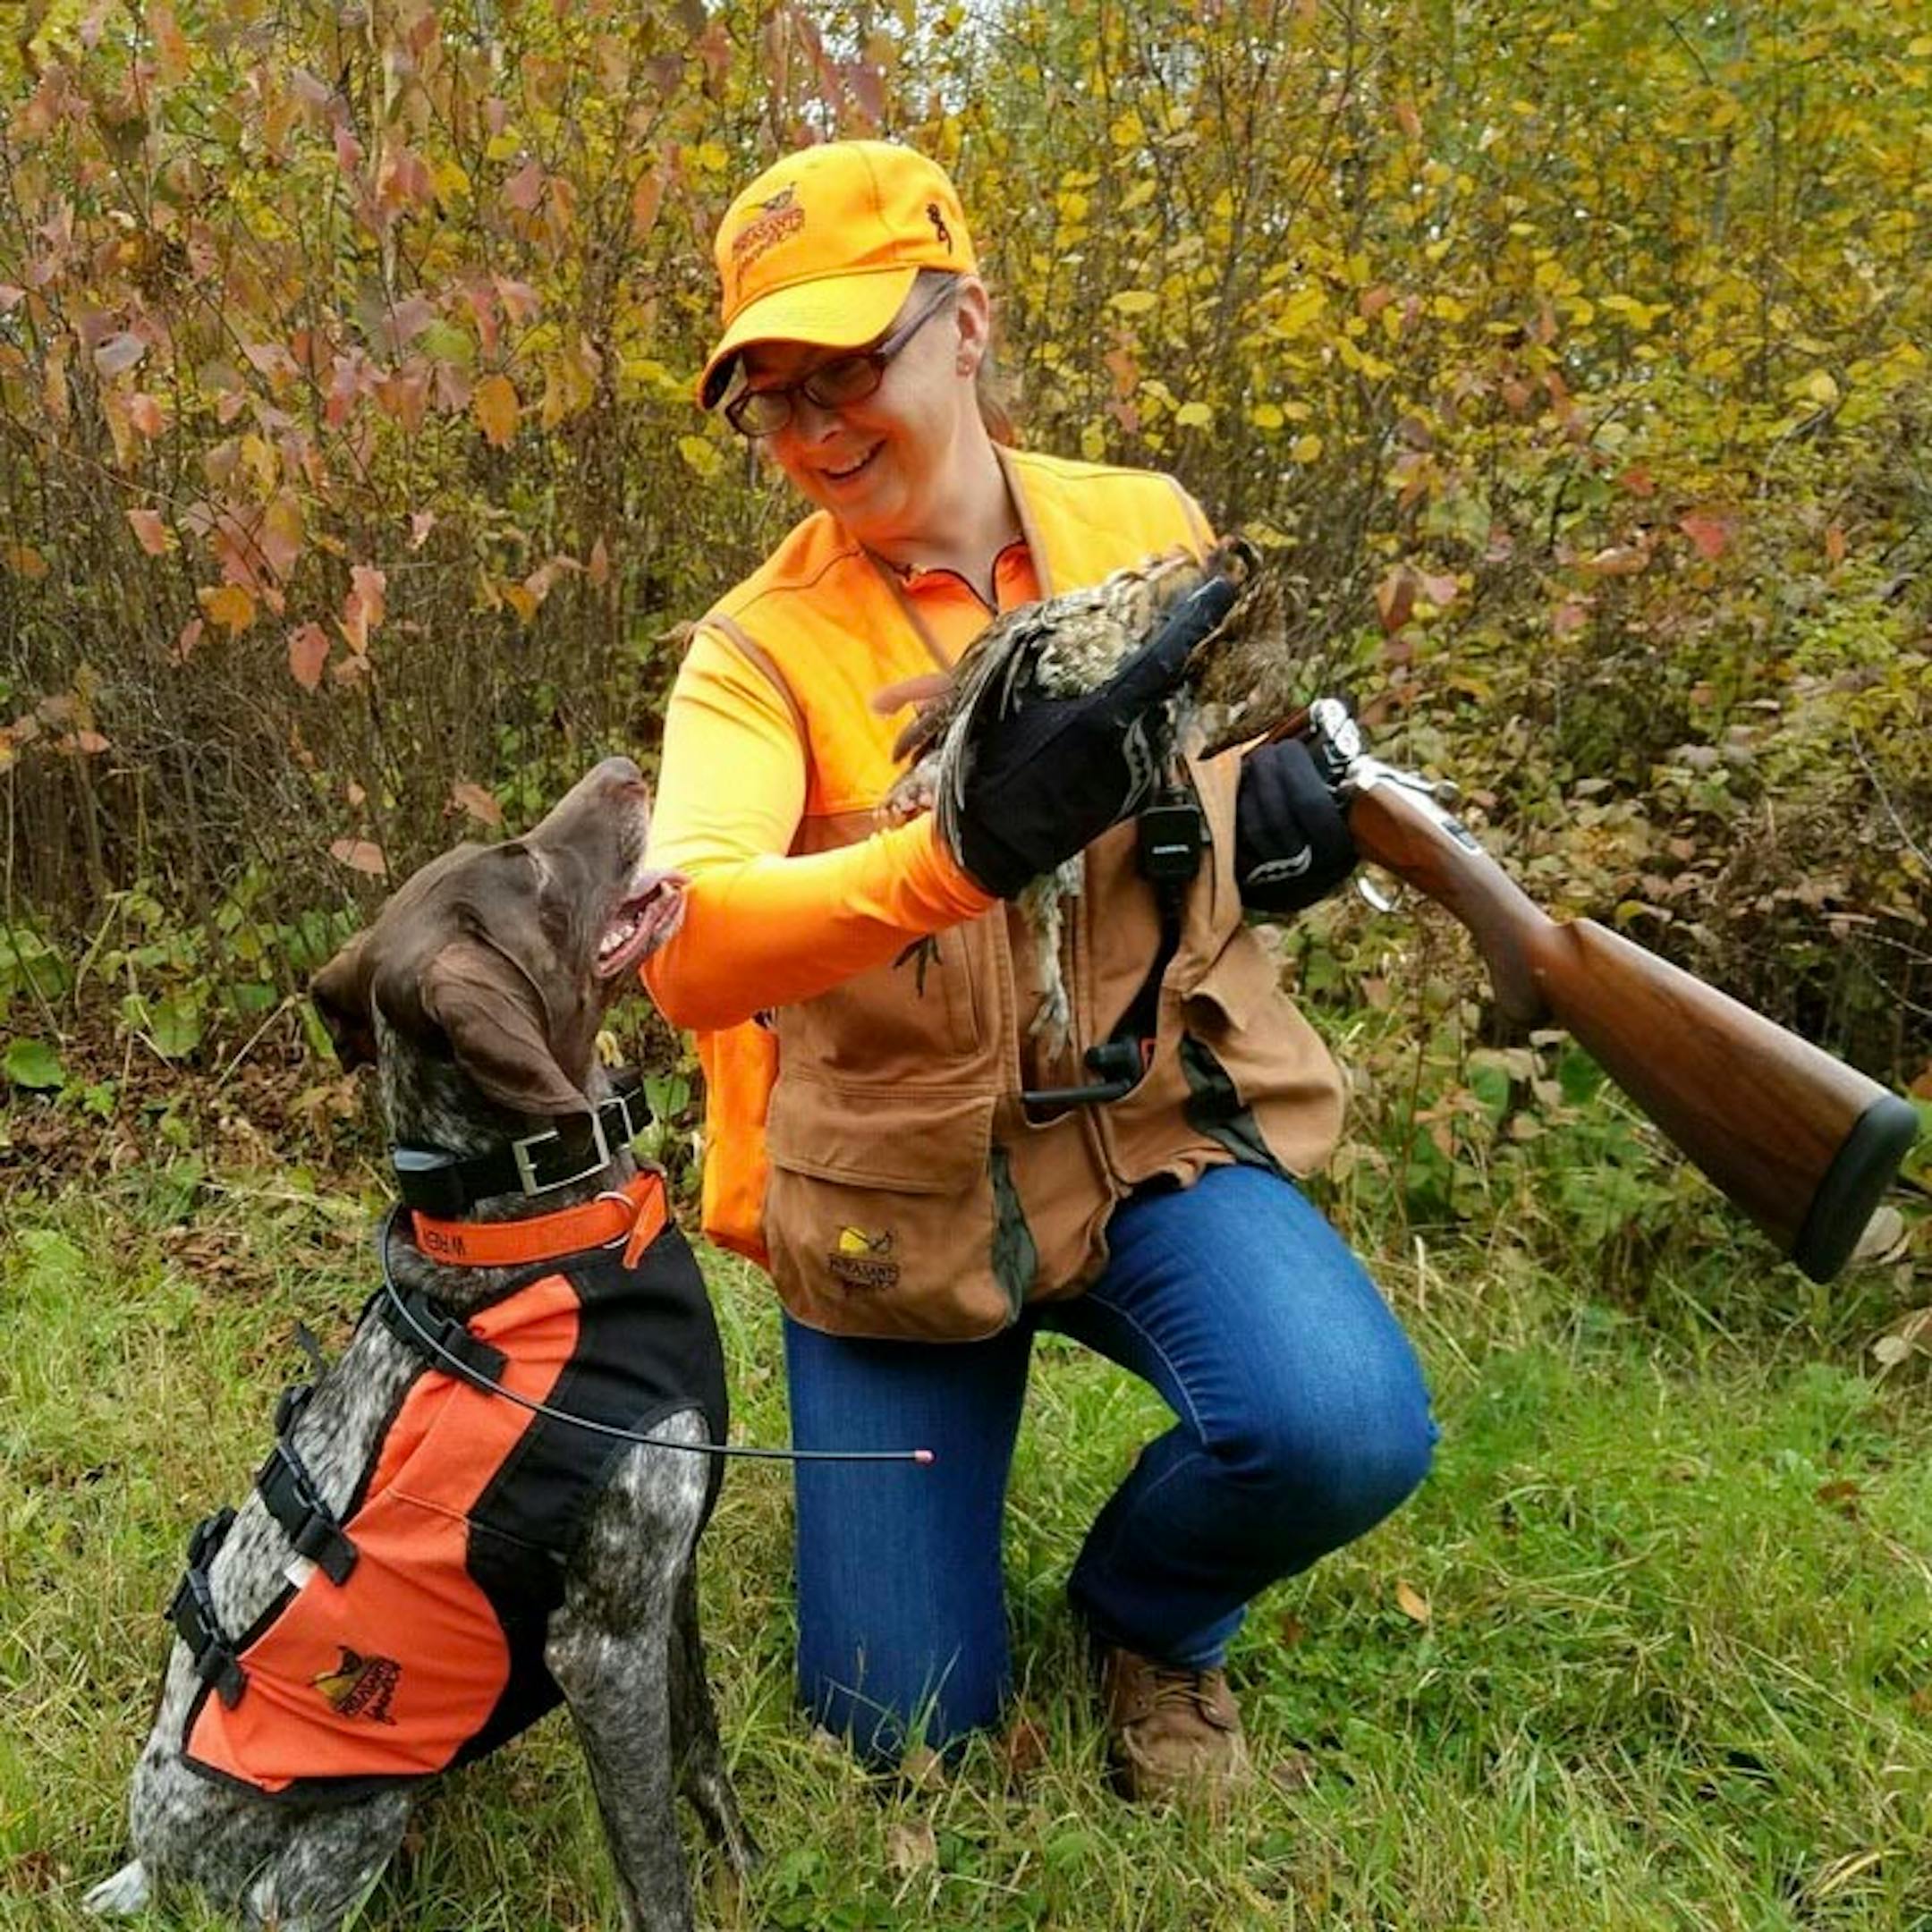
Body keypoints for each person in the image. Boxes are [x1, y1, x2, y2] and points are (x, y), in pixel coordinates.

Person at [642, 140, 1435, 1801]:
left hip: (1148, 1135)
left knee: (1344, 1428)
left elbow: (1187, 805)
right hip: (900, 1194)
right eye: (769, 400)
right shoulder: (756, 650)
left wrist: (1273, 819)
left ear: (969, 328)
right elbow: (691, 950)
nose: (816, 431)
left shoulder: (1141, 526)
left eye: (850, 366)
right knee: (900, 1725)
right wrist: (944, 860)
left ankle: (1150, 1613)